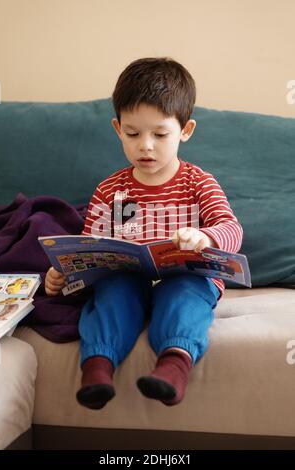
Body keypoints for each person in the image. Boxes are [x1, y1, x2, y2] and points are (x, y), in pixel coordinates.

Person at [45, 57, 243, 409]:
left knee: (185, 295)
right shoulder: (113, 190)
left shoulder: (198, 183)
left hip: (186, 277)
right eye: (133, 133)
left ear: (186, 130)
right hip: (129, 277)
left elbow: (231, 228)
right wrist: (65, 272)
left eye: (160, 134)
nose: (145, 146)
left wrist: (206, 238)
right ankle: (98, 367)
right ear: (118, 128)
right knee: (112, 293)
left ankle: (174, 365)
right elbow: (90, 247)